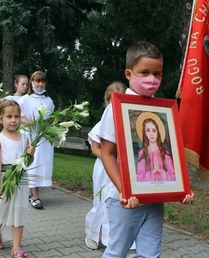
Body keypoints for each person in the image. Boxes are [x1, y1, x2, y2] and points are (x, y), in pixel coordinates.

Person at [99, 41, 194, 257]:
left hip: (154, 200)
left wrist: (181, 190)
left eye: (157, 74)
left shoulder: (162, 110)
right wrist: (124, 191)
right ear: (129, 73)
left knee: (151, 254)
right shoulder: (117, 108)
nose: (152, 79)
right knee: (117, 252)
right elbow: (107, 153)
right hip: (124, 200)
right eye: (144, 72)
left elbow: (172, 162)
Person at [0, 99, 35, 258]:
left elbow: (28, 162)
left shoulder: (25, 138)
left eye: (17, 116)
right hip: (3, 178)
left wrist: (31, 154)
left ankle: (16, 247)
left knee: (19, 210)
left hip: (21, 180)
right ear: (1, 118)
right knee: (0, 209)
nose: (14, 120)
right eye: (9, 117)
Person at [85, 81, 127, 250]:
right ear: (106, 101)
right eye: (112, 100)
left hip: (121, 168)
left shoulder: (127, 124)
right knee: (101, 200)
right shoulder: (100, 125)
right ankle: (92, 234)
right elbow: (96, 149)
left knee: (118, 201)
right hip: (104, 168)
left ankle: (117, 240)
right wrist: (110, 156)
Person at [17, 71, 55, 209]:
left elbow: (51, 118)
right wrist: (27, 121)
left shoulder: (49, 101)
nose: (40, 84)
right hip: (30, 135)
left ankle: (30, 192)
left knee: (40, 163)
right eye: (37, 81)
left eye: (42, 82)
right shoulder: (24, 100)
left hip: (42, 136)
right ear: (32, 83)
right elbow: (18, 116)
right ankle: (34, 195)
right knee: (32, 163)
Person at [136, 112, 176, 182]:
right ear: (145, 133)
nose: (151, 134)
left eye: (154, 130)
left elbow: (174, 177)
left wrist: (161, 172)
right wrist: (152, 173)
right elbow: (138, 179)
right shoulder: (142, 153)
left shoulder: (166, 153)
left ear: (158, 132)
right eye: (148, 130)